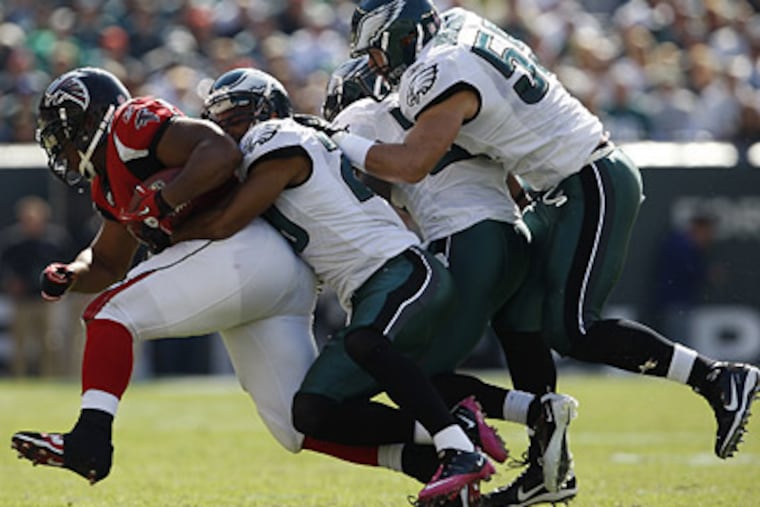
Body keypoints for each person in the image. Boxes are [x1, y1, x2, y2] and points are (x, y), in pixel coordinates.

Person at [332, 1, 760, 504]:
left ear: (401, 36)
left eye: (380, 55)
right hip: (553, 188)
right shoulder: (457, 27)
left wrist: (341, 139)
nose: (381, 68)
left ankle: (718, 377)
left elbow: (411, 165)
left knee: (573, 328)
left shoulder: (438, 68)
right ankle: (547, 467)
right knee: (519, 319)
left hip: (587, 177)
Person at [167, 67, 578, 505]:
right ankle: (499, 417)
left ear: (268, 110)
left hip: (400, 271)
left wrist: (167, 226)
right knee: (312, 410)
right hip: (370, 290)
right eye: (217, 121)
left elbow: (229, 220)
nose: (226, 130)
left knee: (367, 341)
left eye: (235, 117)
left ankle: (457, 447)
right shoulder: (273, 152)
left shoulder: (274, 138)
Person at [10, 67, 322, 486]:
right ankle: (430, 448)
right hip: (268, 273)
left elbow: (219, 152)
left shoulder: (131, 124)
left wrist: (163, 199)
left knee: (110, 314)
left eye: (63, 133)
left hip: (242, 247)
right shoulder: (108, 185)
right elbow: (105, 263)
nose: (60, 148)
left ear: (90, 119)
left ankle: (90, 439)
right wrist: (73, 273)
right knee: (300, 424)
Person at [320, 55, 579, 504]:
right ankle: (544, 452)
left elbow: (344, 188)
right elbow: (513, 183)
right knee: (502, 348)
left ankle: (529, 417)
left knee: (410, 375)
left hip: (466, 239)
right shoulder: (437, 103)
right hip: (512, 234)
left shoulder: (360, 116)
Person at [0, 195, 74, 377]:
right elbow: (4, 268)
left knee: (50, 342)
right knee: (20, 342)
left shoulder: (56, 240)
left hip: (48, 299)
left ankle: (49, 377)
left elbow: (69, 265)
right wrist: (10, 283)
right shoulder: (13, 241)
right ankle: (19, 377)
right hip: (23, 300)